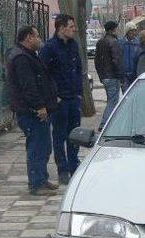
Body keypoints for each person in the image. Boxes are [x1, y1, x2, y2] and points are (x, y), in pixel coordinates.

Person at [7, 25, 59, 196]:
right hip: (31, 111)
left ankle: (42, 178)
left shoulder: (29, 55)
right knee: (37, 146)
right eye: (37, 36)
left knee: (44, 145)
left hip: (36, 109)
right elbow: (28, 86)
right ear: (29, 37)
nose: (39, 39)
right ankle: (37, 183)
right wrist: (39, 106)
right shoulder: (21, 57)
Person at [39, 14, 82, 185]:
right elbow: (43, 75)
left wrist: (79, 93)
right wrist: (52, 96)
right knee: (59, 135)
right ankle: (62, 168)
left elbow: (78, 69)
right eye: (71, 26)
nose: (74, 29)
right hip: (59, 100)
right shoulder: (49, 48)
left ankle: (74, 165)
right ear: (61, 28)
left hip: (73, 97)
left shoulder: (73, 45)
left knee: (75, 135)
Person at [95, 20, 123, 130]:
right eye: (116, 28)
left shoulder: (100, 42)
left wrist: (101, 76)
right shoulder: (113, 42)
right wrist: (120, 76)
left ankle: (108, 123)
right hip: (112, 76)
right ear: (113, 29)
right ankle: (104, 124)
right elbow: (117, 61)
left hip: (105, 77)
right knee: (113, 101)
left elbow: (97, 62)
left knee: (110, 100)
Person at [119, 22, 140, 92]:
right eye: (132, 31)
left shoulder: (138, 43)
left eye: (135, 30)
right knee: (126, 95)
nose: (134, 33)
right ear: (127, 32)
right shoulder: (120, 43)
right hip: (124, 75)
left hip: (135, 74)